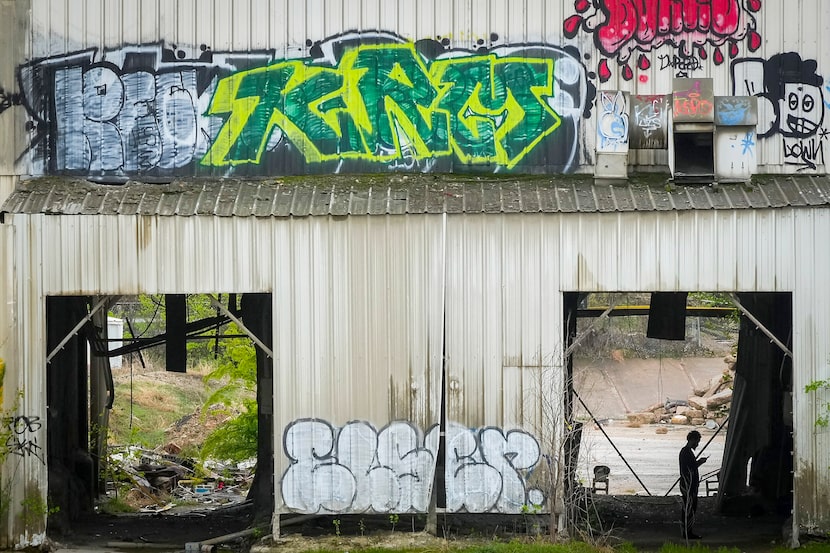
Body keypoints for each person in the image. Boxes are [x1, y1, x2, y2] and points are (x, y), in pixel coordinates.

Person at [679, 430, 707, 539]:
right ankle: (687, 532)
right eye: (697, 441)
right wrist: (699, 462)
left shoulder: (687, 452)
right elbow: (690, 468)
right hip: (688, 485)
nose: (697, 444)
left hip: (690, 484)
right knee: (689, 508)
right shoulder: (686, 452)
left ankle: (687, 531)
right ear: (692, 440)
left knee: (689, 507)